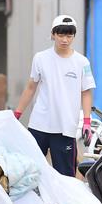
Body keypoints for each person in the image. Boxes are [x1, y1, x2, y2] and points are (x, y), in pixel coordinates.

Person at [14, 14, 95, 177]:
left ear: (73, 36)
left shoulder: (82, 62)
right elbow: (31, 88)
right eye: (61, 34)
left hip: (65, 128)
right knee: (30, 171)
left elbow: (86, 92)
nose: (65, 39)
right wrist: (16, 114)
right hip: (39, 124)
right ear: (53, 34)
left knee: (65, 176)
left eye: (69, 35)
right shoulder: (41, 58)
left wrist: (87, 121)